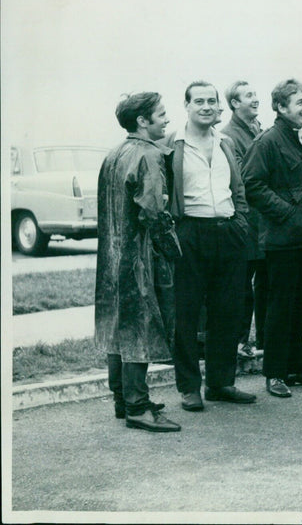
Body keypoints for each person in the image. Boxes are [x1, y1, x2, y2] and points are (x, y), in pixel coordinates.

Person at [165, 80, 257, 412]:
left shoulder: (225, 143)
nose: (206, 106)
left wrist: (240, 221)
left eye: (211, 101)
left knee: (227, 310)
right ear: (187, 106)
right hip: (190, 232)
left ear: (219, 106)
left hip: (228, 232)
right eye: (199, 101)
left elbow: (239, 186)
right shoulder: (171, 146)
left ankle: (220, 382)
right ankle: (190, 387)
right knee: (187, 313)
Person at [95, 92, 182, 432]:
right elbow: (154, 212)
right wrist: (172, 249)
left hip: (112, 258)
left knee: (119, 325)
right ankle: (137, 406)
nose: (166, 120)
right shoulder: (148, 154)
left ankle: (123, 400)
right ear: (142, 121)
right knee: (138, 328)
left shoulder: (114, 153)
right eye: (161, 114)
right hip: (139, 256)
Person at [242, 79, 302, 398]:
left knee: (300, 304)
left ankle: (296, 369)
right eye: (299, 102)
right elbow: (251, 184)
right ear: (280, 108)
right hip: (281, 239)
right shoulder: (267, 141)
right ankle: (275, 374)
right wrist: (287, 213)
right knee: (279, 307)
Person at [221, 80, 268, 358]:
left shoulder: (259, 130)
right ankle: (238, 342)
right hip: (246, 223)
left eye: (255, 93)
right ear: (235, 103)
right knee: (242, 286)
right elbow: (242, 178)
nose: (255, 99)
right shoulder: (229, 136)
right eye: (249, 95)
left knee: (267, 285)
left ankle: (264, 341)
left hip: (264, 224)